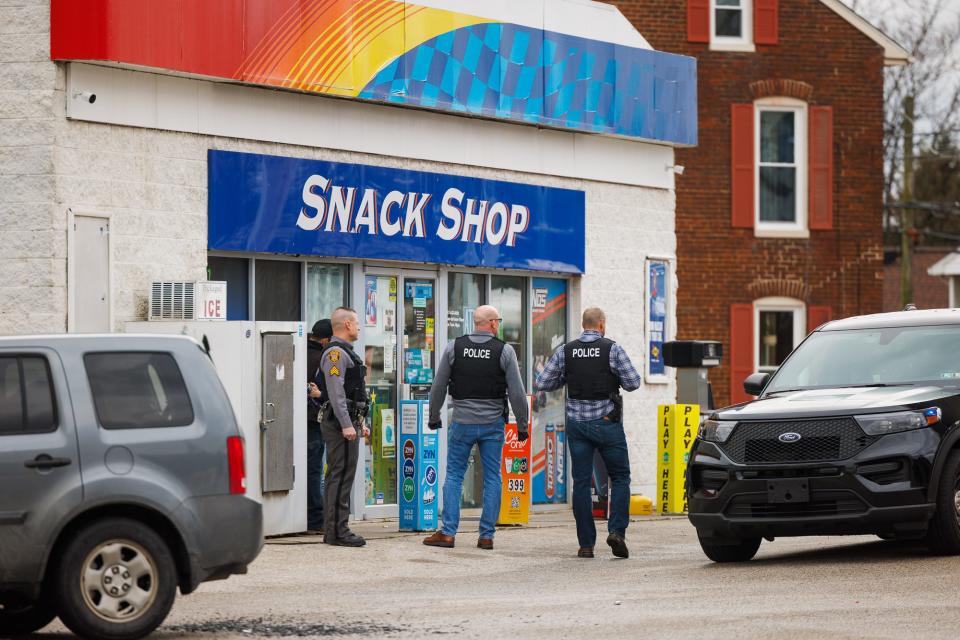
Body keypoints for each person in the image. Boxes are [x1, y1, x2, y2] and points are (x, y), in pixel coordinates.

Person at [535, 307, 641, 559]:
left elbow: (543, 383)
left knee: (581, 483)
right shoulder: (611, 349)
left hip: (578, 426)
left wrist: (567, 378)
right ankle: (616, 532)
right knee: (620, 477)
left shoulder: (566, 350)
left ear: (583, 325)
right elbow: (633, 382)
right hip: (607, 423)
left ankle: (586, 545)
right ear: (602, 324)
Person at [422, 305, 529, 551]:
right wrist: (521, 425)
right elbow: (517, 392)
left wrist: (433, 416)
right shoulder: (505, 350)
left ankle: (448, 533)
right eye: (498, 320)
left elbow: (438, 386)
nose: (498, 324)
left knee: (454, 476)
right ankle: (486, 536)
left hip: (462, 422)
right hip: (493, 425)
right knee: (493, 478)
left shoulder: (454, 347)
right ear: (491, 323)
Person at [317, 307, 370, 547]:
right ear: (347, 324)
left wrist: (360, 422)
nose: (360, 326)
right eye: (357, 322)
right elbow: (336, 393)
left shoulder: (346, 353)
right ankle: (337, 531)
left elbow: (353, 392)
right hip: (339, 424)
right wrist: (347, 425)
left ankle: (337, 529)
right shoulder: (336, 355)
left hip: (347, 421)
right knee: (339, 476)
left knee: (343, 475)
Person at [306, 318, 332, 535]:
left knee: (309, 469)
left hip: (297, 419)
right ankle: (315, 519)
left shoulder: (298, 350)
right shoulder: (322, 358)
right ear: (325, 340)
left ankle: (306, 515)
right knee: (316, 470)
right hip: (315, 419)